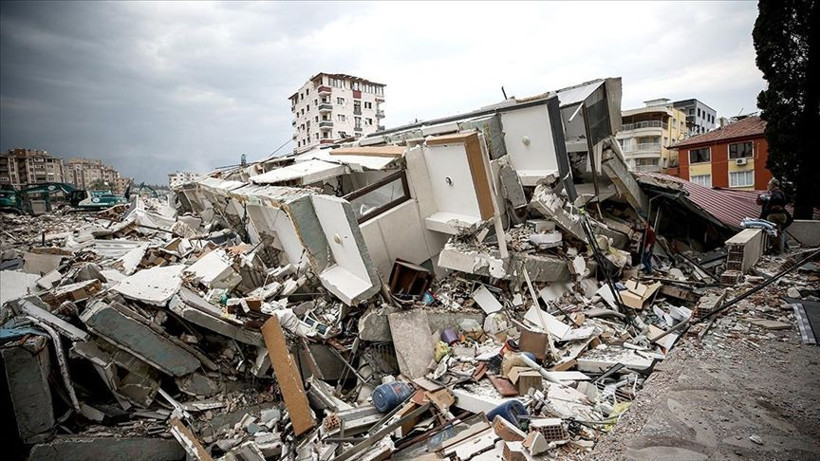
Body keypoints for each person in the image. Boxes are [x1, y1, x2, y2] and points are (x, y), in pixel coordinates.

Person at [757, 178, 788, 254]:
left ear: (773, 185)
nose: (768, 186)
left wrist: (772, 203)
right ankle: (781, 249)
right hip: (781, 215)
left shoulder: (776, 193)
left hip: (775, 215)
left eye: (769, 184)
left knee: (775, 233)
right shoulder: (780, 193)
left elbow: (777, 199)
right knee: (779, 232)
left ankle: (777, 251)